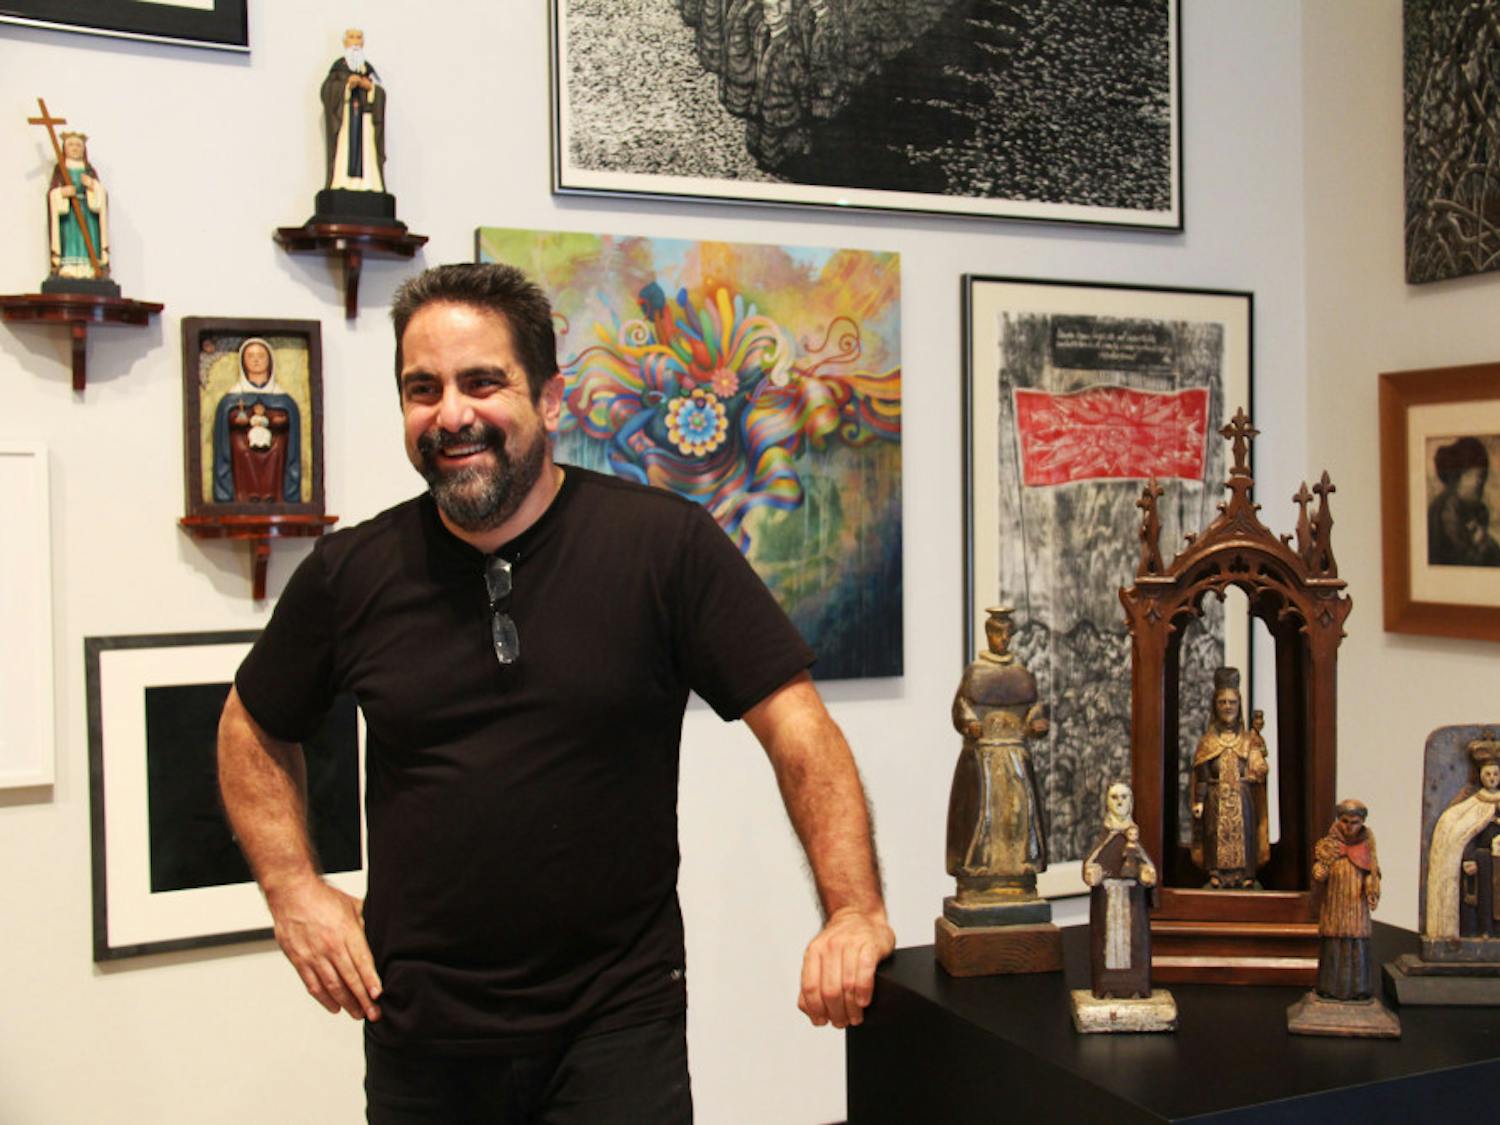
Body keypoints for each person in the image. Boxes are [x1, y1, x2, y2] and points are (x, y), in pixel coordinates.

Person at [216, 262, 894, 1122]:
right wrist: (293, 891)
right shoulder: (352, 574)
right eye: (421, 389)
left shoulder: (663, 547)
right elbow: (250, 726)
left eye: (482, 381)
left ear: (550, 399)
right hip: (422, 1039)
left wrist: (854, 910)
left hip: (616, 1031)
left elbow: (799, 727)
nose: (451, 413)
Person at [946, 606, 1049, 889]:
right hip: (984, 756)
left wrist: (1036, 722)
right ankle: (981, 867)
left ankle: (1018, 868)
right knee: (986, 814)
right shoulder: (976, 672)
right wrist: (969, 723)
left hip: (1015, 751)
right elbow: (961, 707)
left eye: (1007, 634)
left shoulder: (1021, 673)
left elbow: (1034, 708)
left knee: (1018, 812)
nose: (1002, 640)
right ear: (989, 634)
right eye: (997, 633)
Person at [1190, 666, 1269, 887]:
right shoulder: (1207, 742)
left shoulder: (1247, 740)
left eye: (1232, 703)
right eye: (1222, 702)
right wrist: (1199, 801)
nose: (1227, 707)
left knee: (1245, 833)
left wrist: (1257, 762)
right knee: (1214, 833)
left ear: (1239, 705)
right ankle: (1215, 873)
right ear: (1215, 706)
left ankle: (1246, 874)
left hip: (1242, 796)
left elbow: (1259, 772)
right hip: (1216, 796)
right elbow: (1202, 774)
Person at [1082, 782, 1157, 1000]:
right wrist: (1091, 873)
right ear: (1107, 802)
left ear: (1131, 802)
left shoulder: (1133, 838)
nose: (1120, 802)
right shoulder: (1106, 836)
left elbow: (1146, 866)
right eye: (1115, 797)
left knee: (1135, 943)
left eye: (1124, 797)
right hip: (1108, 899)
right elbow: (1092, 862)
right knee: (1106, 943)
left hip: (1132, 899)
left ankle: (1136, 987)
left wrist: (1147, 874)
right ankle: (1107, 988)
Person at [211, 338, 303, 504]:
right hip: (242, 443)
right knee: (241, 448)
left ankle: (272, 495)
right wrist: (241, 420)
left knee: (278, 447)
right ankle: (246, 495)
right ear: (243, 362)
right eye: (251, 356)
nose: (256, 360)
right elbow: (226, 423)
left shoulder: (282, 397)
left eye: (261, 355)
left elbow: (290, 420)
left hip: (275, 442)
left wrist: (276, 420)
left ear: (270, 361)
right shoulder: (233, 396)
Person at [1425, 746, 1500, 941]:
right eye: (1488, 774)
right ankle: (1484, 931)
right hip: (1484, 864)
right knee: (1484, 899)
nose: (1492, 778)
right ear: (1481, 776)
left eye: (1495, 774)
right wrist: (1470, 858)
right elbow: (1462, 836)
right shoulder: (1471, 805)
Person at [1311, 800, 1380, 1001]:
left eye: (1355, 822)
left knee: (1356, 946)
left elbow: (1372, 872)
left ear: (1362, 822)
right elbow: (1319, 870)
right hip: (1334, 904)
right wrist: (1319, 873)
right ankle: (1329, 988)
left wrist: (1371, 886)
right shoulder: (1329, 845)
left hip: (1356, 905)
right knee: (1333, 946)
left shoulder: (1366, 846)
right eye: (1344, 821)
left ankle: (1359, 989)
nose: (1349, 827)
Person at [322, 28, 386, 192]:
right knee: (345, 152)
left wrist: (370, 88)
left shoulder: (368, 70)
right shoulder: (338, 68)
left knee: (367, 153)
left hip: (365, 120)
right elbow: (327, 91)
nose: (355, 42)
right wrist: (346, 87)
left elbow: (380, 94)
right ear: (345, 42)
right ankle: (343, 183)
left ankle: (369, 184)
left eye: (359, 38)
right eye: (351, 37)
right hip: (347, 119)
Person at [1427, 436, 1500, 567]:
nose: (1481, 482)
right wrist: (1482, 547)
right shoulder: (1445, 510)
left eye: (1483, 476)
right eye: (1478, 476)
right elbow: (1462, 563)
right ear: (1460, 477)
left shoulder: (1478, 510)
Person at [47, 131, 108, 280]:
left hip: (87, 212)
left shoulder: (89, 170)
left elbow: (102, 195)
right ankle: (69, 266)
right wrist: (61, 192)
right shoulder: (61, 169)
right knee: (70, 237)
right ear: (65, 148)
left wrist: (92, 185)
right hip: (69, 214)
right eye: (71, 145)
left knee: (88, 237)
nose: (75, 149)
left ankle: (89, 266)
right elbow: (52, 194)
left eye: (78, 145)